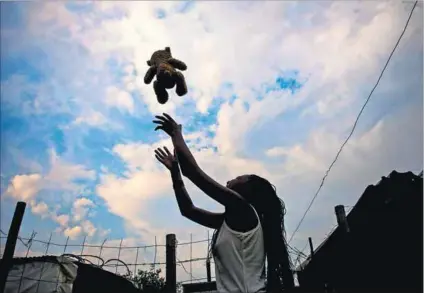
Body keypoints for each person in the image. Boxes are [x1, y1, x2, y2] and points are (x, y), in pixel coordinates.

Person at [153, 113, 295, 293]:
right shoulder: (232, 222)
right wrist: (175, 171)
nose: (230, 180)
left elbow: (193, 172)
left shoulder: (244, 210)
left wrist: (176, 134)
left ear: (249, 190)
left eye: (238, 178)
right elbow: (188, 210)